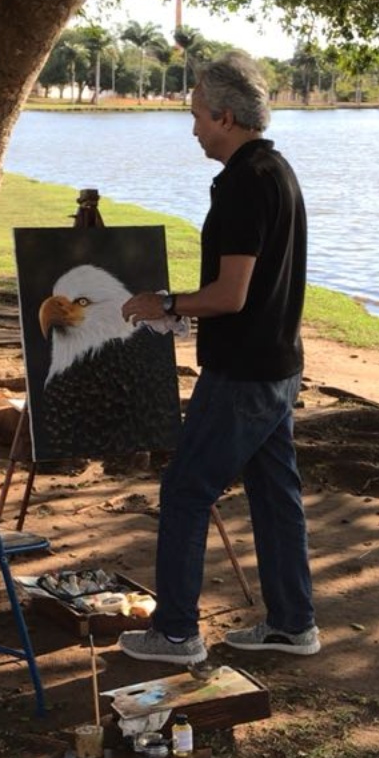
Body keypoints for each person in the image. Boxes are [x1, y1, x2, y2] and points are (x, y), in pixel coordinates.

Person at [117, 51, 319, 666]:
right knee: (273, 493)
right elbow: (249, 292)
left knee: (184, 489)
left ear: (227, 116)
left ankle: (176, 633)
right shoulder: (277, 169)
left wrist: (167, 301)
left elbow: (230, 296)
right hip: (279, 364)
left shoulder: (241, 183)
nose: (194, 128)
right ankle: (292, 624)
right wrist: (185, 313)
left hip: (245, 373)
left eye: (199, 115)